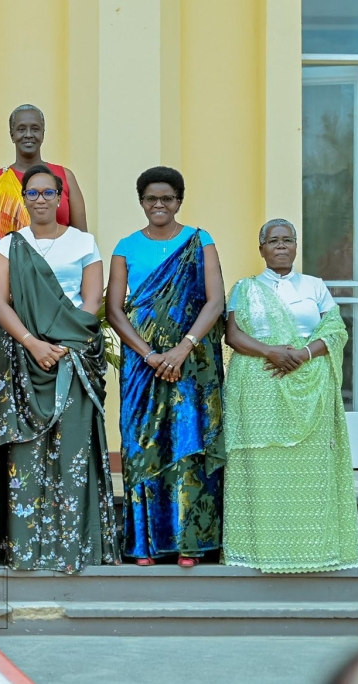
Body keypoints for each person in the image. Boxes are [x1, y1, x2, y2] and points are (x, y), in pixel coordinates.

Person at [0, 166, 118, 573]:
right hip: (22, 360)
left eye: (48, 192)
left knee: (72, 450)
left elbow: (93, 301)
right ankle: (22, 549)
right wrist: (33, 343)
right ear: (23, 199)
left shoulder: (84, 243)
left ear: (61, 198)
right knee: (24, 454)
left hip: (73, 357)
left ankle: (74, 548)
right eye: (33, 193)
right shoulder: (10, 245)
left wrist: (62, 343)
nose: (40, 199)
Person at [222, 219, 358, 573]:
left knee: (309, 471)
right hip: (258, 388)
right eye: (273, 240)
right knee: (262, 468)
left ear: (297, 246)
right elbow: (233, 335)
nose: (281, 245)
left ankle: (313, 549)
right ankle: (256, 550)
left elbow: (335, 329)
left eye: (288, 239)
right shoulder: (245, 288)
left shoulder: (315, 286)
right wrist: (270, 352)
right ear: (262, 249)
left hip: (310, 385)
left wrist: (304, 354)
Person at [105, 166, 226, 568]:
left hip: (192, 364)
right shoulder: (125, 247)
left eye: (167, 199)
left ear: (179, 201)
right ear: (141, 202)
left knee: (187, 446)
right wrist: (150, 354)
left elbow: (214, 301)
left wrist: (182, 349)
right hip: (142, 367)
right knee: (143, 448)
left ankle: (190, 543)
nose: (159, 205)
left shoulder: (199, 240)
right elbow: (114, 310)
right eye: (151, 199)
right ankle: (145, 545)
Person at [0, 104, 87, 238]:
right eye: (21, 129)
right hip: (9, 258)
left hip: (61, 257)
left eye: (35, 129)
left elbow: (81, 238)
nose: (28, 135)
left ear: (43, 134)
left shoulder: (65, 176)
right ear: (12, 135)